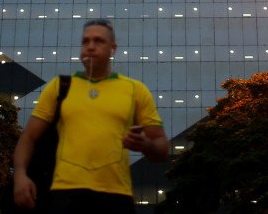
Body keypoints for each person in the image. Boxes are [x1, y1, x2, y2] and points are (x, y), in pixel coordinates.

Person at [12, 19, 168, 212]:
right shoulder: (59, 87)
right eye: (85, 41)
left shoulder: (135, 90)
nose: (90, 47)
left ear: (113, 48)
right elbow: (28, 137)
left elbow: (162, 147)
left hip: (116, 196)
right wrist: (20, 175)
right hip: (65, 194)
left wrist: (146, 145)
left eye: (98, 41)